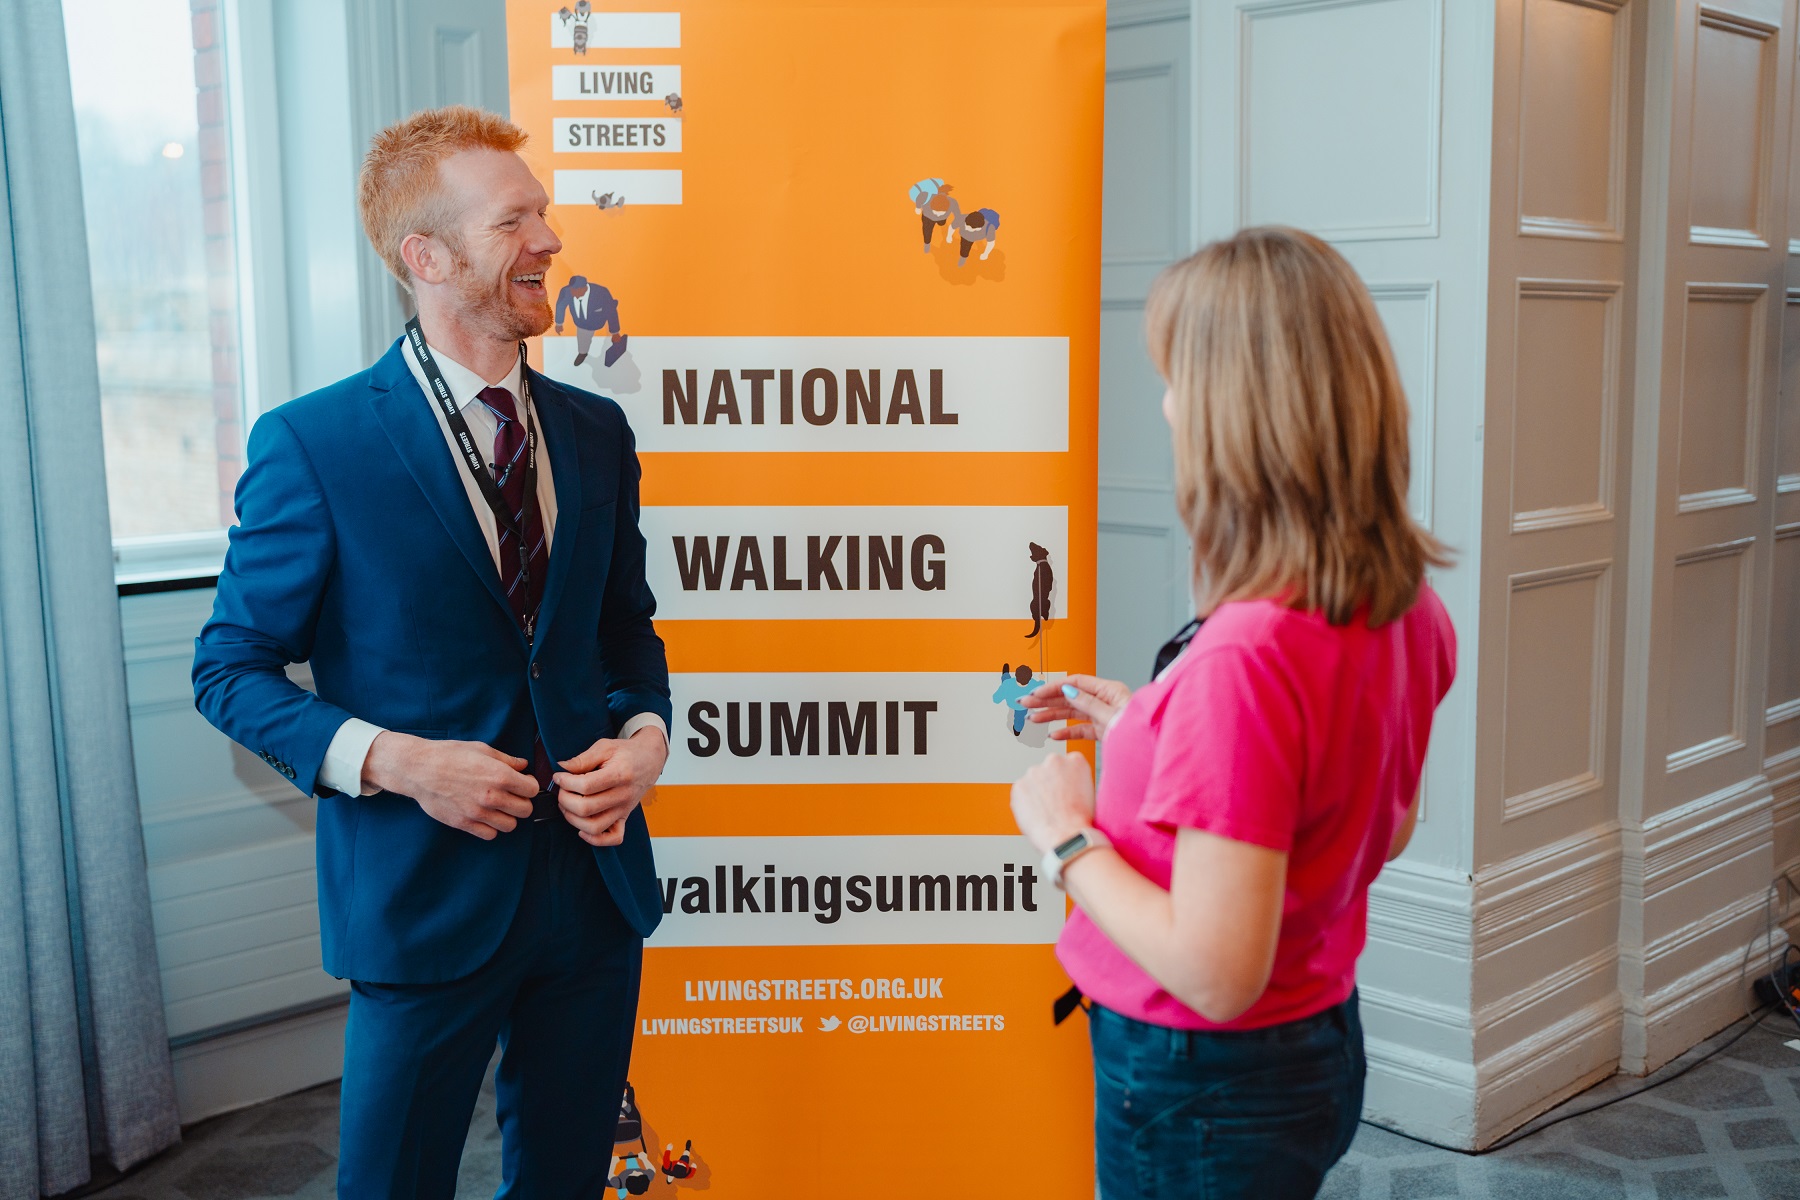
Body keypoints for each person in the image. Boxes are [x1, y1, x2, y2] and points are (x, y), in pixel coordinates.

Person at [191, 106, 672, 1199]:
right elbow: (229, 669)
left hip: (595, 892)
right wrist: (400, 761)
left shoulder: (596, 431)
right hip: (422, 898)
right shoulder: (314, 444)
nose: (551, 241)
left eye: (545, 214)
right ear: (428, 256)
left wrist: (645, 736)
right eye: (518, 221)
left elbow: (622, 629)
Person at [1009, 226, 1456, 1199]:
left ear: (1230, 415)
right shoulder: (1406, 606)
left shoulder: (1245, 661)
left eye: (1175, 381)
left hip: (1202, 1085)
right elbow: (1377, 821)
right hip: (1316, 1043)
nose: (1166, 407)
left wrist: (1065, 838)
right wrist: (1151, 730)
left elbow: (1215, 975)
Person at [554, 273, 626, 366]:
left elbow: (611, 311)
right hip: (581, 323)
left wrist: (615, 332)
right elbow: (561, 305)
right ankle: (583, 353)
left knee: (609, 341)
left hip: (599, 320)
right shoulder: (566, 291)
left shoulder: (602, 292)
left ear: (584, 288)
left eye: (576, 291)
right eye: (572, 290)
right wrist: (559, 323)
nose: (573, 294)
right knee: (583, 339)